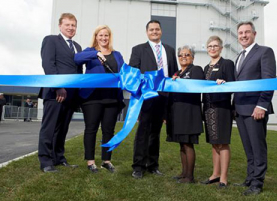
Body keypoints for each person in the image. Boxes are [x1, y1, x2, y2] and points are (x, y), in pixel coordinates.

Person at [129, 20, 178, 179]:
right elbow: (133, 72)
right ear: (147, 32)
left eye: (157, 29)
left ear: (161, 31)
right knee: (143, 130)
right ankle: (138, 166)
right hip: (145, 95)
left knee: (155, 132)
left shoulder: (169, 50)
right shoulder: (138, 50)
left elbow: (174, 73)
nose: (155, 32)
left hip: (163, 96)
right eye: (151, 29)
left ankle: (152, 165)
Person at [74, 25, 125, 173]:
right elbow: (77, 59)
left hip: (112, 98)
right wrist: (96, 54)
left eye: (106, 35)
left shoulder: (117, 54)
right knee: (91, 129)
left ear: (110, 37)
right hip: (92, 98)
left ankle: (106, 160)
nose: (103, 38)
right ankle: (90, 161)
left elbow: (123, 71)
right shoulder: (89, 52)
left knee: (108, 130)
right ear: (96, 37)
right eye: (100, 35)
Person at [234, 21, 276, 195]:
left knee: (257, 147)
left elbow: (268, 81)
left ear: (254, 34)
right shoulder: (239, 56)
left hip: (255, 109)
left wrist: (261, 105)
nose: (243, 35)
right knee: (248, 147)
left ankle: (257, 183)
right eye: (241, 33)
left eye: (247, 32)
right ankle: (250, 177)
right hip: (240, 109)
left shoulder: (264, 52)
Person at [38, 13, 83, 173]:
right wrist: (58, 86)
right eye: (68, 25)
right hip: (54, 93)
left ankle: (58, 158)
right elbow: (48, 64)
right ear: (60, 26)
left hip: (71, 96)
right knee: (49, 128)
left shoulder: (78, 47)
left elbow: (78, 71)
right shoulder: (50, 40)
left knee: (62, 128)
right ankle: (45, 161)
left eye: (73, 25)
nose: (71, 28)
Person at [166, 45, 204, 183]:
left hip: (189, 113)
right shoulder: (176, 73)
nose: (183, 57)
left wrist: (180, 83)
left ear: (192, 57)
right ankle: (184, 173)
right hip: (176, 114)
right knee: (181, 144)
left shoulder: (196, 70)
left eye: (187, 55)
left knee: (188, 144)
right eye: (181, 55)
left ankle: (190, 176)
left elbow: (195, 87)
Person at [201, 36, 235, 188]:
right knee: (214, 143)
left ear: (221, 48)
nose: (212, 48)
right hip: (208, 108)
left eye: (215, 46)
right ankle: (215, 174)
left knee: (223, 142)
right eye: (210, 46)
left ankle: (224, 177)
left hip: (221, 108)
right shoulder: (205, 68)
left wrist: (224, 84)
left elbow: (232, 84)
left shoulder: (227, 64)